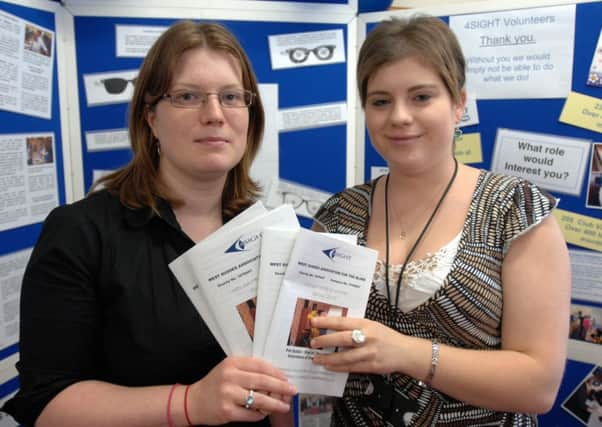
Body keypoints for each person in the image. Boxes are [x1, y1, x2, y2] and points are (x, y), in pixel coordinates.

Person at [2, 21, 297, 427]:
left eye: (230, 96)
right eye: (188, 96)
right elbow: (46, 403)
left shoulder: (269, 234)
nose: (214, 114)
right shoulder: (82, 233)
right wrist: (192, 403)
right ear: (151, 118)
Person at [309, 16, 570, 425]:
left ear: (458, 103)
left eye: (421, 97)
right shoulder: (338, 215)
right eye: (380, 101)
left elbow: (538, 386)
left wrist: (406, 353)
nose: (399, 116)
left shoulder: (512, 211)